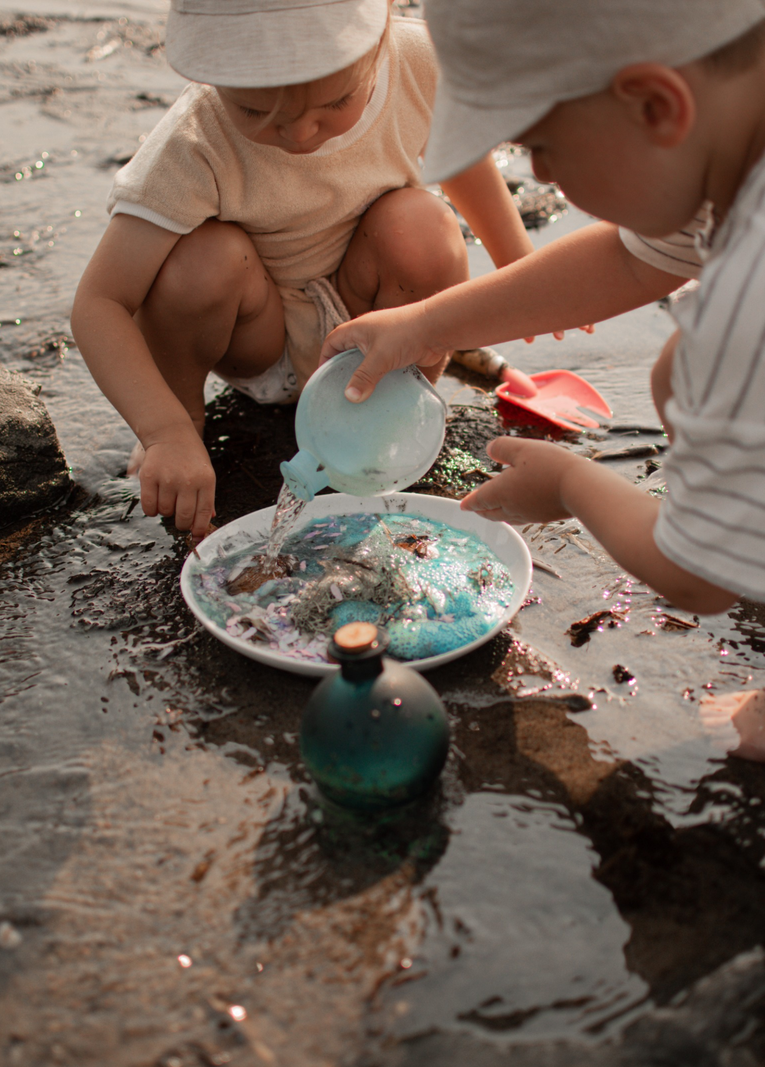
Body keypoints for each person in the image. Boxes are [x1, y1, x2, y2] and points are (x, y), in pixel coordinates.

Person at [320, 0, 765, 759]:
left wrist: (568, 485)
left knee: (693, 377)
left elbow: (695, 579)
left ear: (658, 105)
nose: (542, 174)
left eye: (541, 148)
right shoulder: (729, 135)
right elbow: (631, 259)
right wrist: (426, 325)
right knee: (676, 375)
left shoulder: (748, 299)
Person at [70, 0, 537, 542]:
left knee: (421, 224)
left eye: (335, 101)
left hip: (377, 331)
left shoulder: (415, 61)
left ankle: (398, 413)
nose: (300, 133)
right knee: (201, 260)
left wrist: (523, 271)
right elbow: (99, 303)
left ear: (382, 27)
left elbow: (461, 158)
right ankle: (185, 432)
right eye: (254, 113)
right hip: (258, 341)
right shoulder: (192, 143)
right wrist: (162, 430)